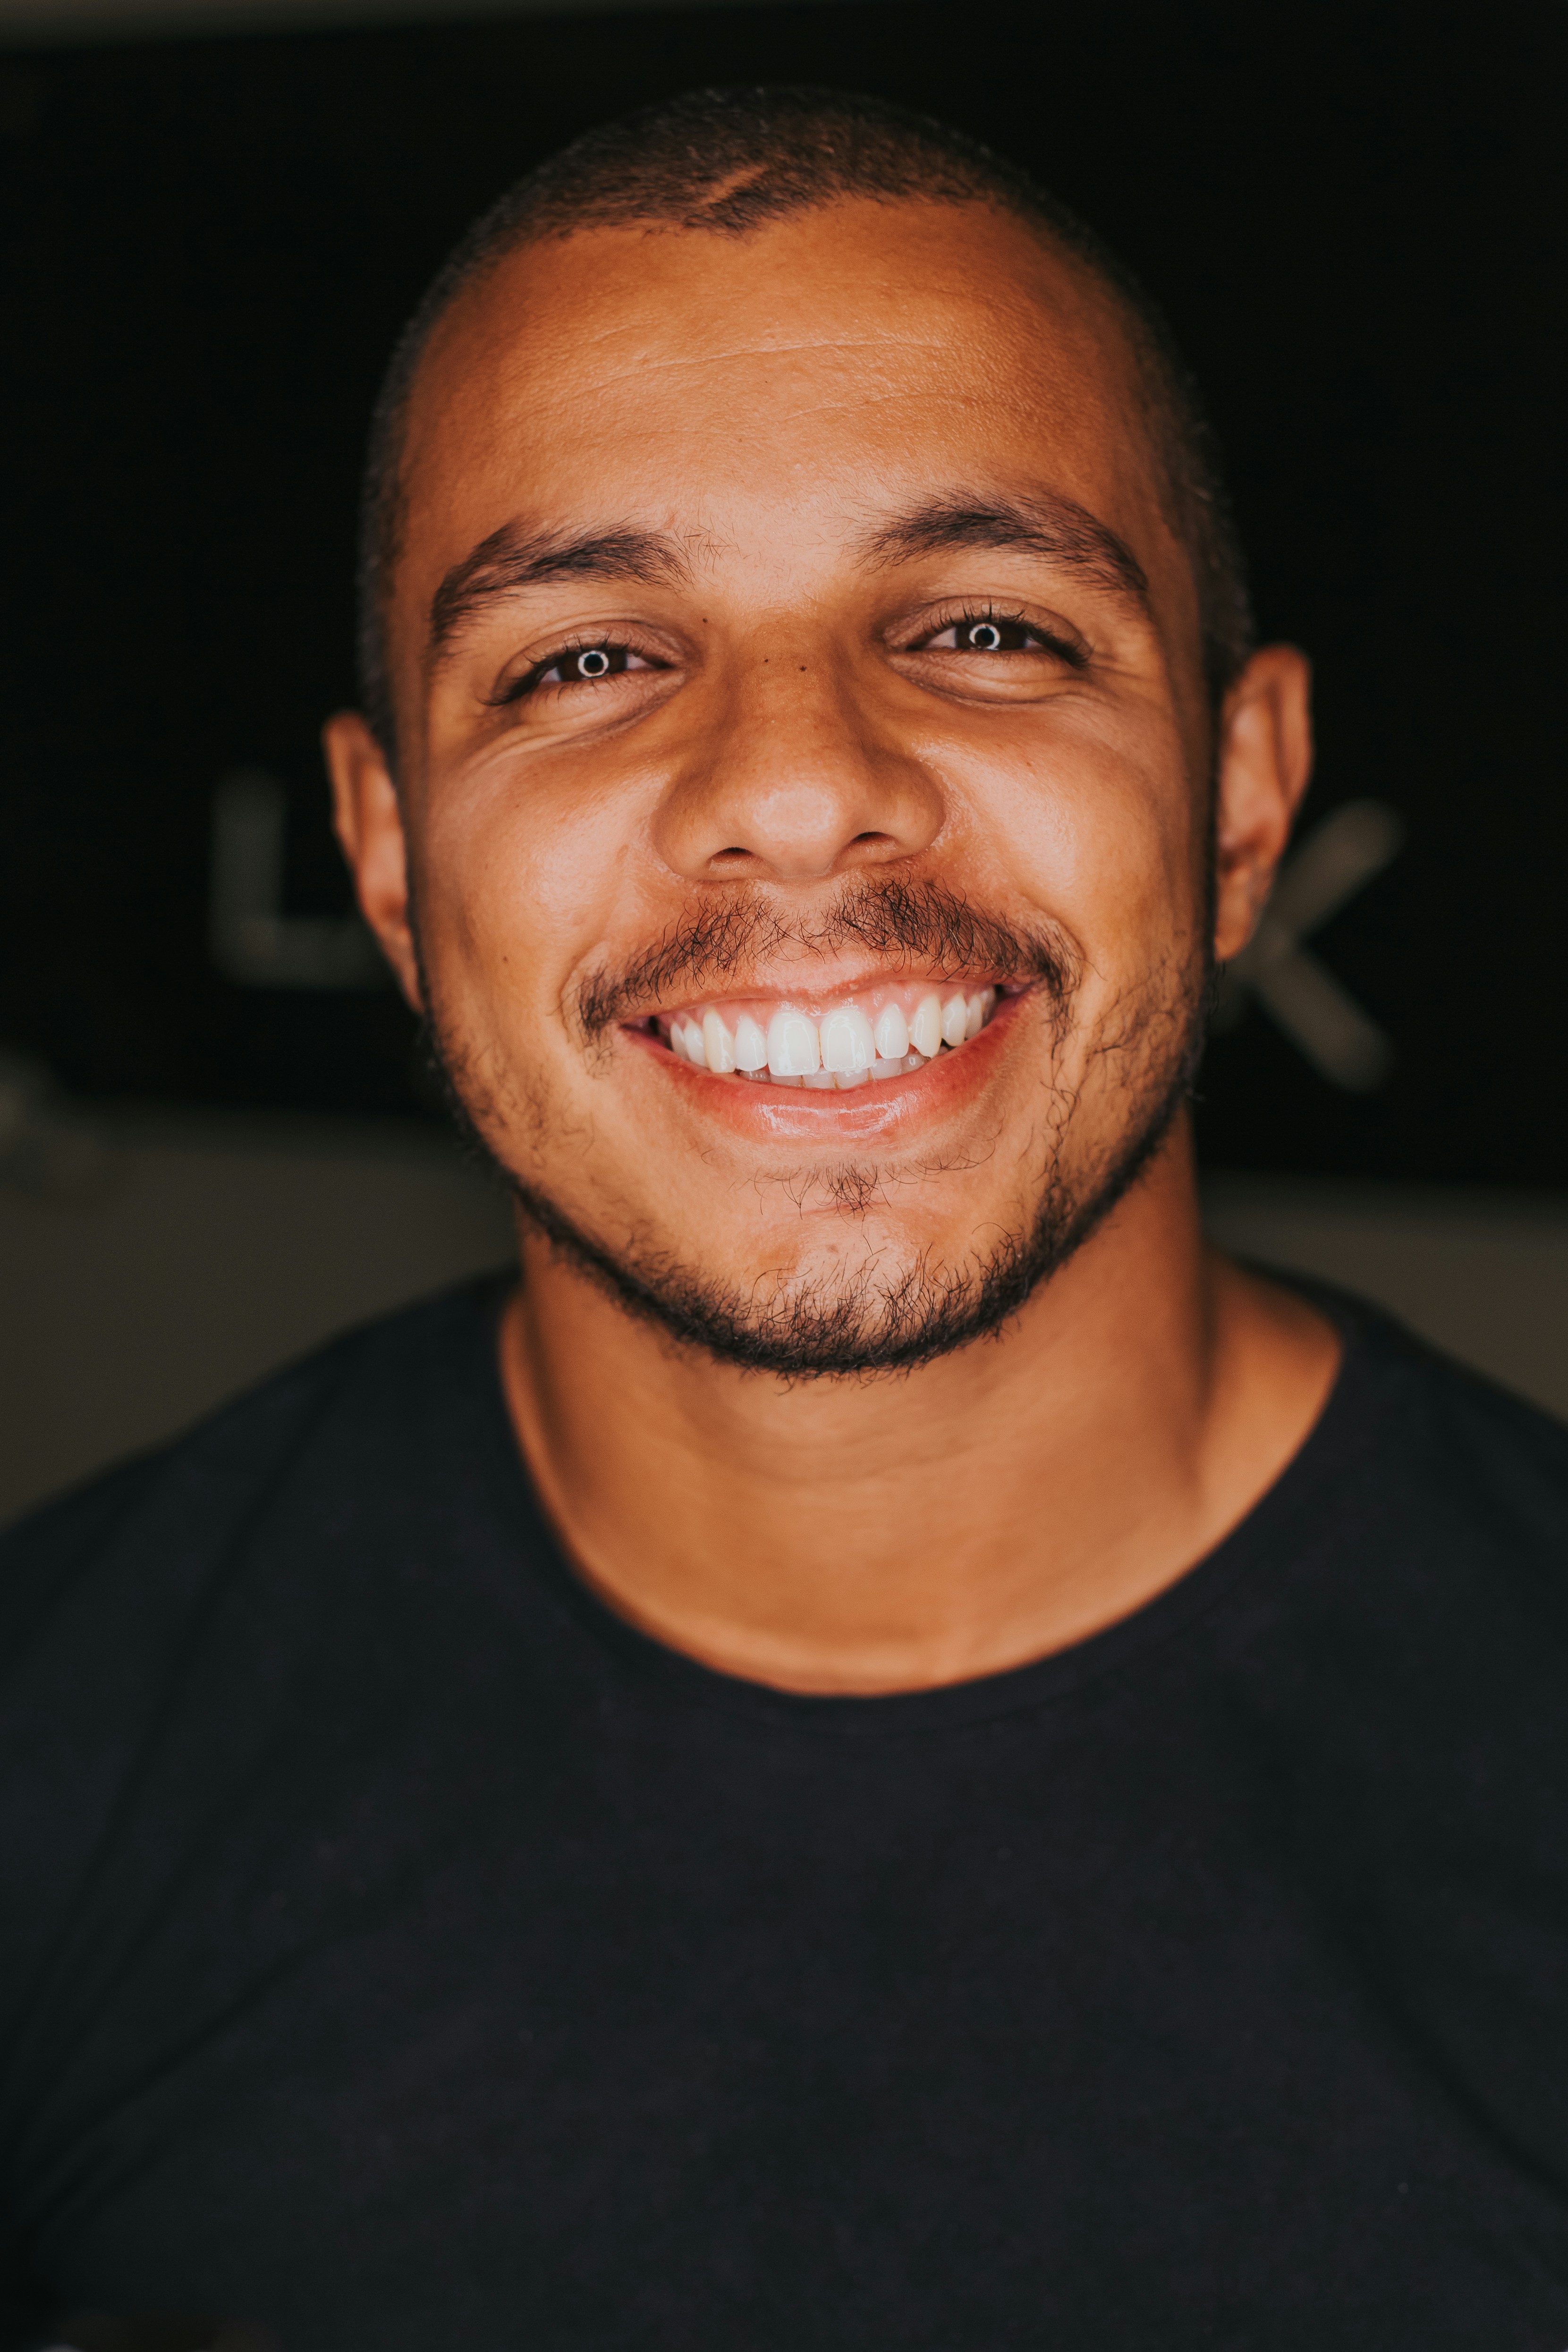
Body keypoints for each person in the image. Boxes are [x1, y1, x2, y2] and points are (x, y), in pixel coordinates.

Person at [2, 85, 1566, 2352]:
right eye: (584, 660)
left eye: (989, 625)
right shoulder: (51, 1762)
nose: (803, 786)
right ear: (390, 862)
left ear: (1242, 801)